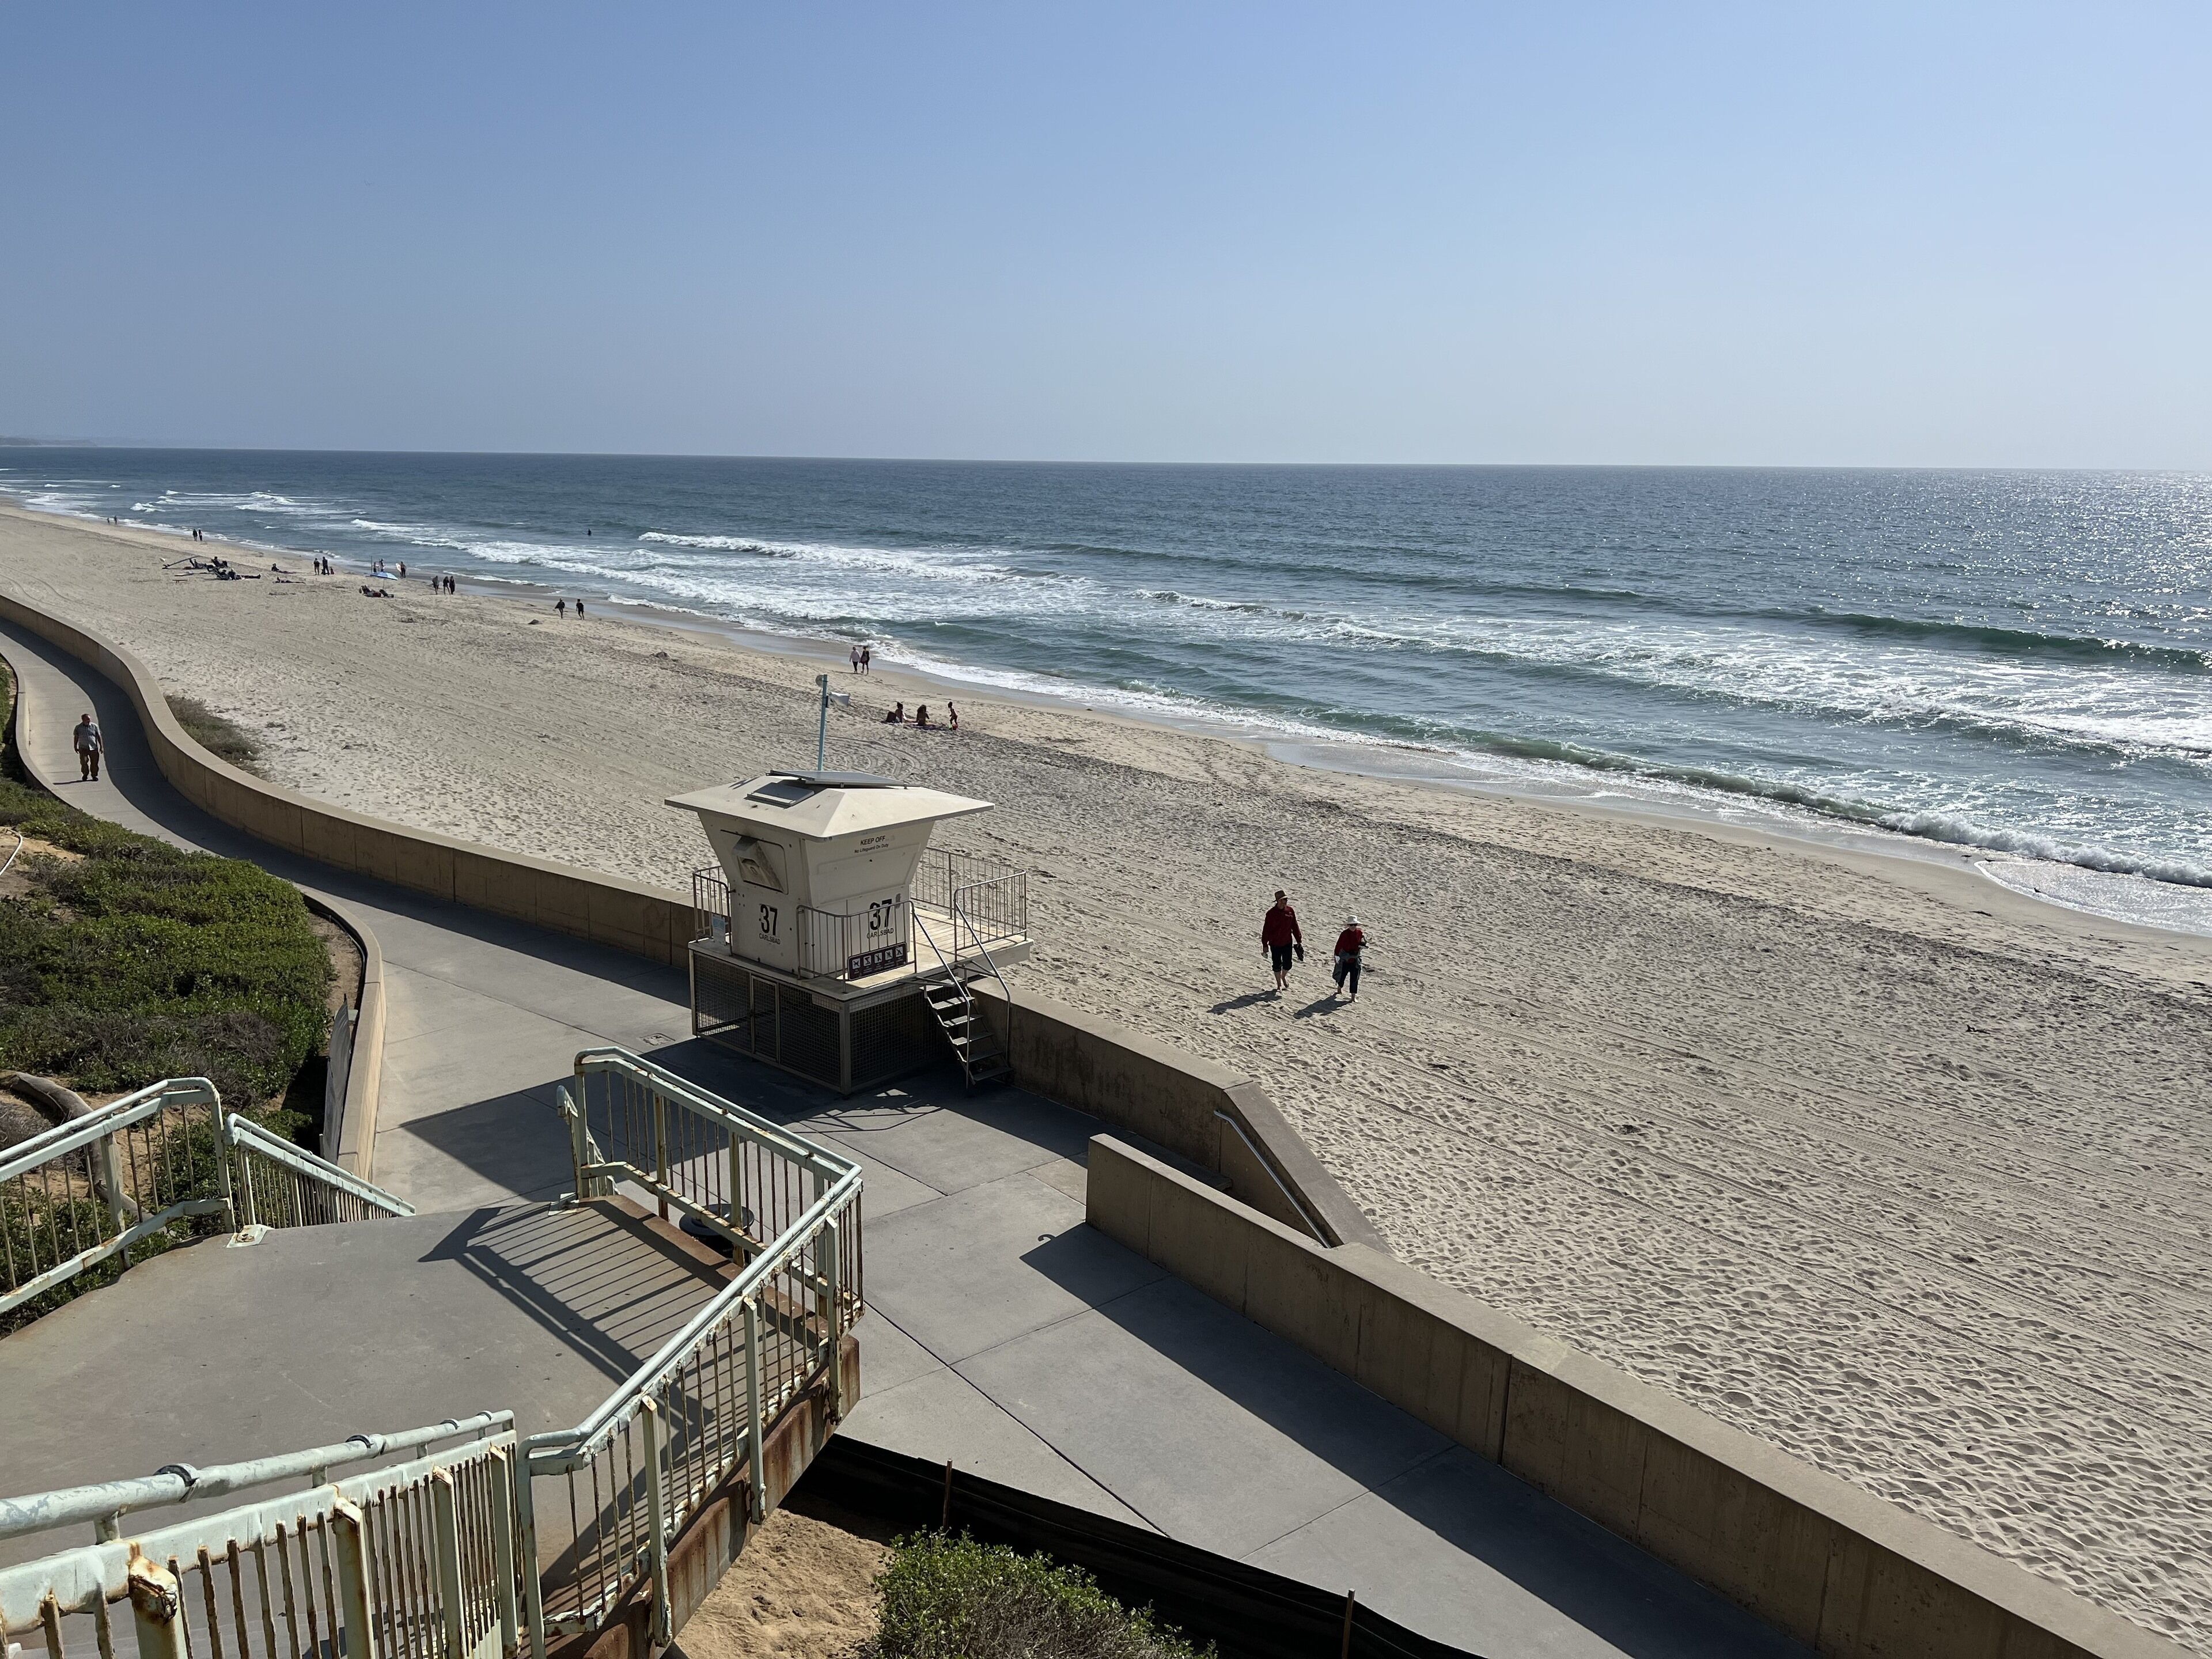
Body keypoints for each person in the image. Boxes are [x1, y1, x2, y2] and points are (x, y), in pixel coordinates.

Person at [1260, 889, 1302, 993]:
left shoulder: (1290, 911)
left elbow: (1295, 925)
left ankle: (1283, 977)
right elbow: (1266, 930)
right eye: (1284, 899)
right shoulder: (1271, 914)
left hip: (1288, 942)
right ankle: (1279, 985)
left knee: (1288, 964)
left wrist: (1299, 939)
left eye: (1286, 899)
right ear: (1279, 901)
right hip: (1275, 943)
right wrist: (1265, 944)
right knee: (1277, 964)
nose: (1286, 901)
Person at [1332, 915, 1368, 1000]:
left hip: (1355, 958)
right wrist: (1336, 955)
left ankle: (1353, 997)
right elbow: (1339, 945)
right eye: (1351, 925)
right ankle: (1339, 988)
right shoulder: (1344, 934)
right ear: (1348, 925)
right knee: (1342, 975)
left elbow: (1363, 940)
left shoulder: (1359, 932)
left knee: (1355, 978)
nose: (1353, 927)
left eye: (1355, 925)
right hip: (1345, 959)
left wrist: (1363, 942)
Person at [72, 712, 104, 782]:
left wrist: (101, 747)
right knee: (84, 761)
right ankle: (85, 774)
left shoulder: (94, 726)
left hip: (93, 748)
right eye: (87, 719)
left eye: (89, 719)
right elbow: (76, 737)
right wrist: (75, 746)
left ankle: (94, 775)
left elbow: (98, 736)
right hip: (83, 748)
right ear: (83, 720)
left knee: (94, 763)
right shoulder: (78, 728)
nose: (89, 720)